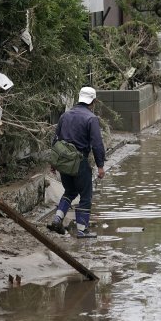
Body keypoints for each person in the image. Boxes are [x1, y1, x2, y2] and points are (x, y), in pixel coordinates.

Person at [46, 86, 106, 238]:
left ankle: (57, 219)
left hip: (63, 163)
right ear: (93, 101)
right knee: (85, 196)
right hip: (80, 163)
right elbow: (97, 144)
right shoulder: (91, 119)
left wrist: (54, 164)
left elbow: (56, 141)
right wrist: (100, 166)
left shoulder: (65, 116)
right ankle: (82, 230)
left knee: (70, 191)